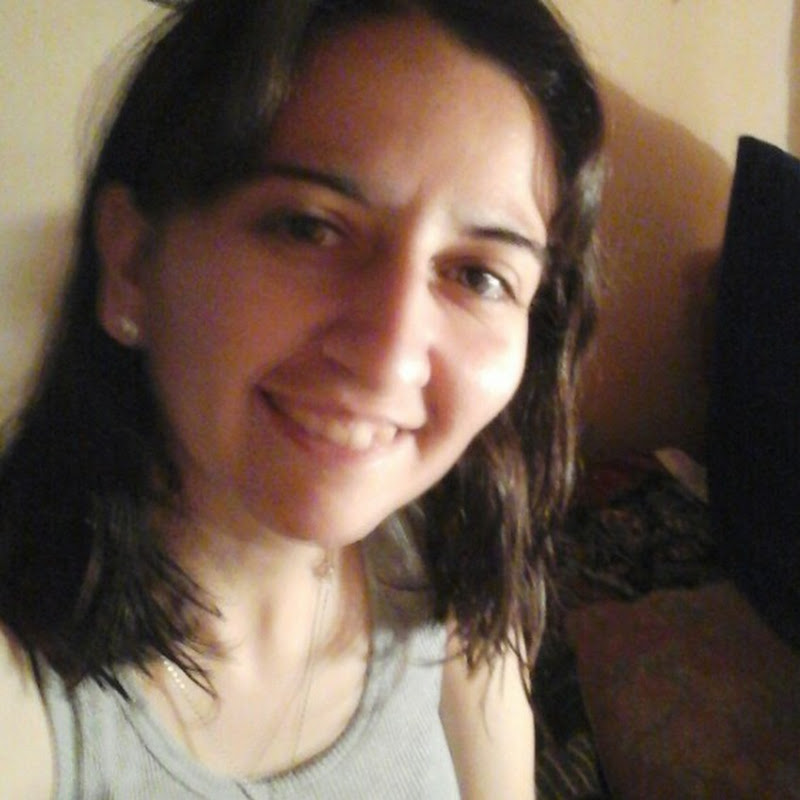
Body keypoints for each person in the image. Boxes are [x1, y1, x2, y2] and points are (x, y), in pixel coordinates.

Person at [0, 0, 603, 797]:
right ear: (134, 263)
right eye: (309, 228)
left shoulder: (458, 567)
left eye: (479, 276)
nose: (388, 358)